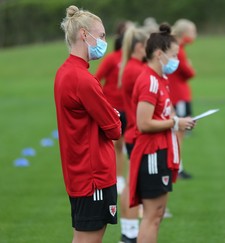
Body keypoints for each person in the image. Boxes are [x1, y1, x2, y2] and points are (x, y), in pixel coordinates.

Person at [54, 5, 121, 242]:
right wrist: (114, 115)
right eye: (101, 35)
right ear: (84, 34)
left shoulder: (65, 72)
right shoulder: (83, 79)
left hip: (80, 171)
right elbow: (114, 129)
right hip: (93, 175)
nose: (104, 41)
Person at [129, 23, 196, 243]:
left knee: (157, 215)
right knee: (152, 216)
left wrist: (176, 121)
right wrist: (175, 122)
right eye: (174, 55)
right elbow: (144, 123)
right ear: (159, 54)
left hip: (161, 151)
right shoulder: (149, 81)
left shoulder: (160, 79)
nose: (177, 60)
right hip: (151, 154)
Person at [118, 26, 149, 243]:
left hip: (136, 133)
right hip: (136, 134)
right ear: (140, 47)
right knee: (133, 185)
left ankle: (130, 231)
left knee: (135, 185)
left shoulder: (135, 67)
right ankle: (129, 233)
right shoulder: (135, 69)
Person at [95, 20, 134, 194]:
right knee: (115, 145)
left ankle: (123, 178)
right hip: (113, 109)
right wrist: (103, 101)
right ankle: (117, 179)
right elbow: (97, 78)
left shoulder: (133, 61)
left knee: (126, 145)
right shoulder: (112, 59)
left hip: (129, 108)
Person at [168, 19, 197, 179]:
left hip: (175, 94)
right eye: (193, 32)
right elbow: (188, 72)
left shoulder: (178, 47)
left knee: (177, 132)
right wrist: (190, 66)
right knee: (178, 132)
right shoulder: (178, 49)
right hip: (177, 95)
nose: (195, 36)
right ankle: (177, 167)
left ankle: (178, 165)